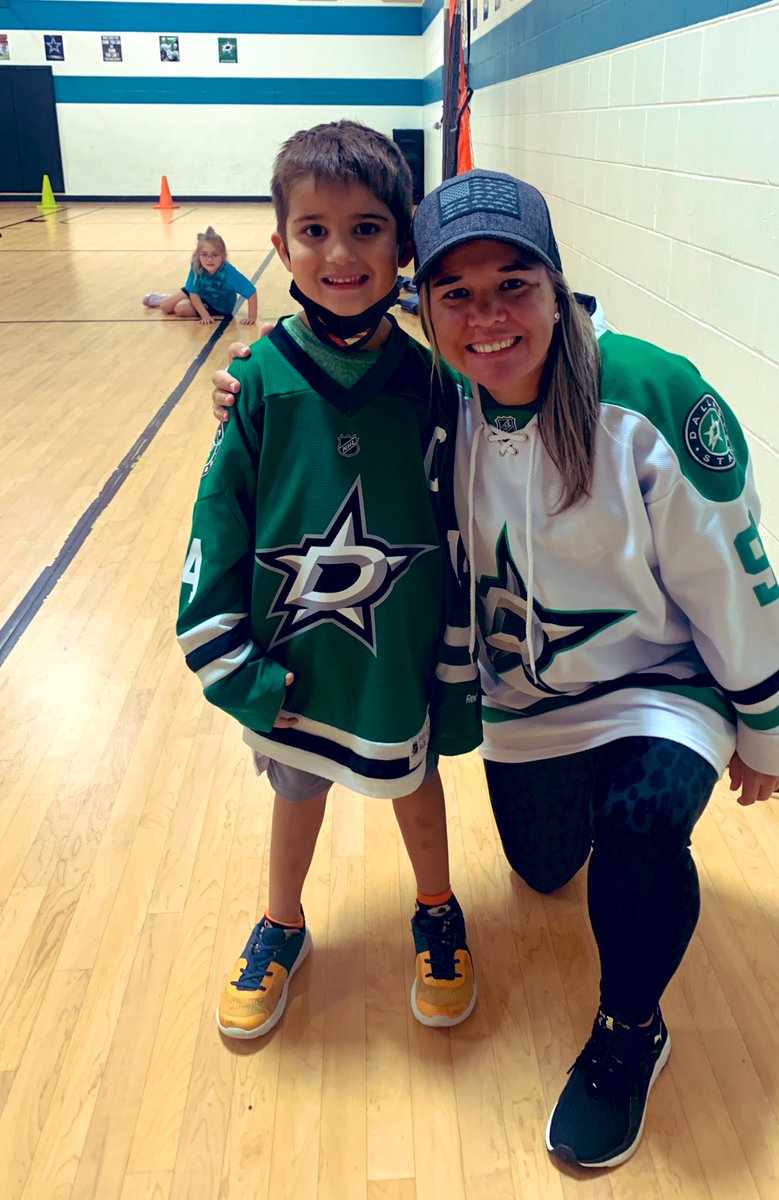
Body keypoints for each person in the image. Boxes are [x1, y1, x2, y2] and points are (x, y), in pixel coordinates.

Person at [211, 168, 779, 1167]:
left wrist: (774, 727)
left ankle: (630, 1032)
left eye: (513, 286)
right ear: (424, 305)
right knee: (542, 871)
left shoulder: (649, 390)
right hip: (528, 702)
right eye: (457, 293)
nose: (487, 317)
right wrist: (250, 387)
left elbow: (735, 571)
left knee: (639, 826)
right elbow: (325, 408)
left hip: (662, 687)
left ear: (556, 285)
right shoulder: (435, 397)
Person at [177, 123, 481, 1042]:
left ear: (404, 246)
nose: (340, 253)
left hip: (398, 654)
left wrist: (457, 659)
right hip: (297, 655)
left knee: (415, 782)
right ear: (280, 247)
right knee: (296, 789)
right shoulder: (259, 380)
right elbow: (217, 526)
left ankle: (437, 908)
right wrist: (235, 663)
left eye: (365, 229)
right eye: (314, 231)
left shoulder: (431, 382)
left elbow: (462, 518)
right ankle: (283, 922)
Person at [144, 226, 258, 326]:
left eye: (215, 255)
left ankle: (179, 298)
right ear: (198, 255)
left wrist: (252, 317)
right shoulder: (197, 266)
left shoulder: (229, 273)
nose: (209, 259)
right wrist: (204, 315)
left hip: (219, 307)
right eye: (204, 255)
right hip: (198, 293)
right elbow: (193, 293)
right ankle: (166, 298)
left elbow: (251, 292)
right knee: (165, 306)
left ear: (223, 256)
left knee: (180, 309)